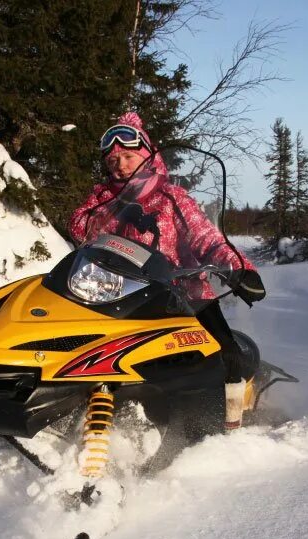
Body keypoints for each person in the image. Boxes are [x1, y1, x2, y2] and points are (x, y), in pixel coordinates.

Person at [68, 111, 265, 429]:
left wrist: (239, 268)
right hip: (120, 295)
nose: (120, 165)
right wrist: (117, 210)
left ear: (146, 155)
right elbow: (79, 227)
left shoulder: (172, 198)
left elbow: (205, 237)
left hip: (183, 294)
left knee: (225, 356)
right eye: (113, 160)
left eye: (128, 156)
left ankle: (230, 427)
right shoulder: (102, 197)